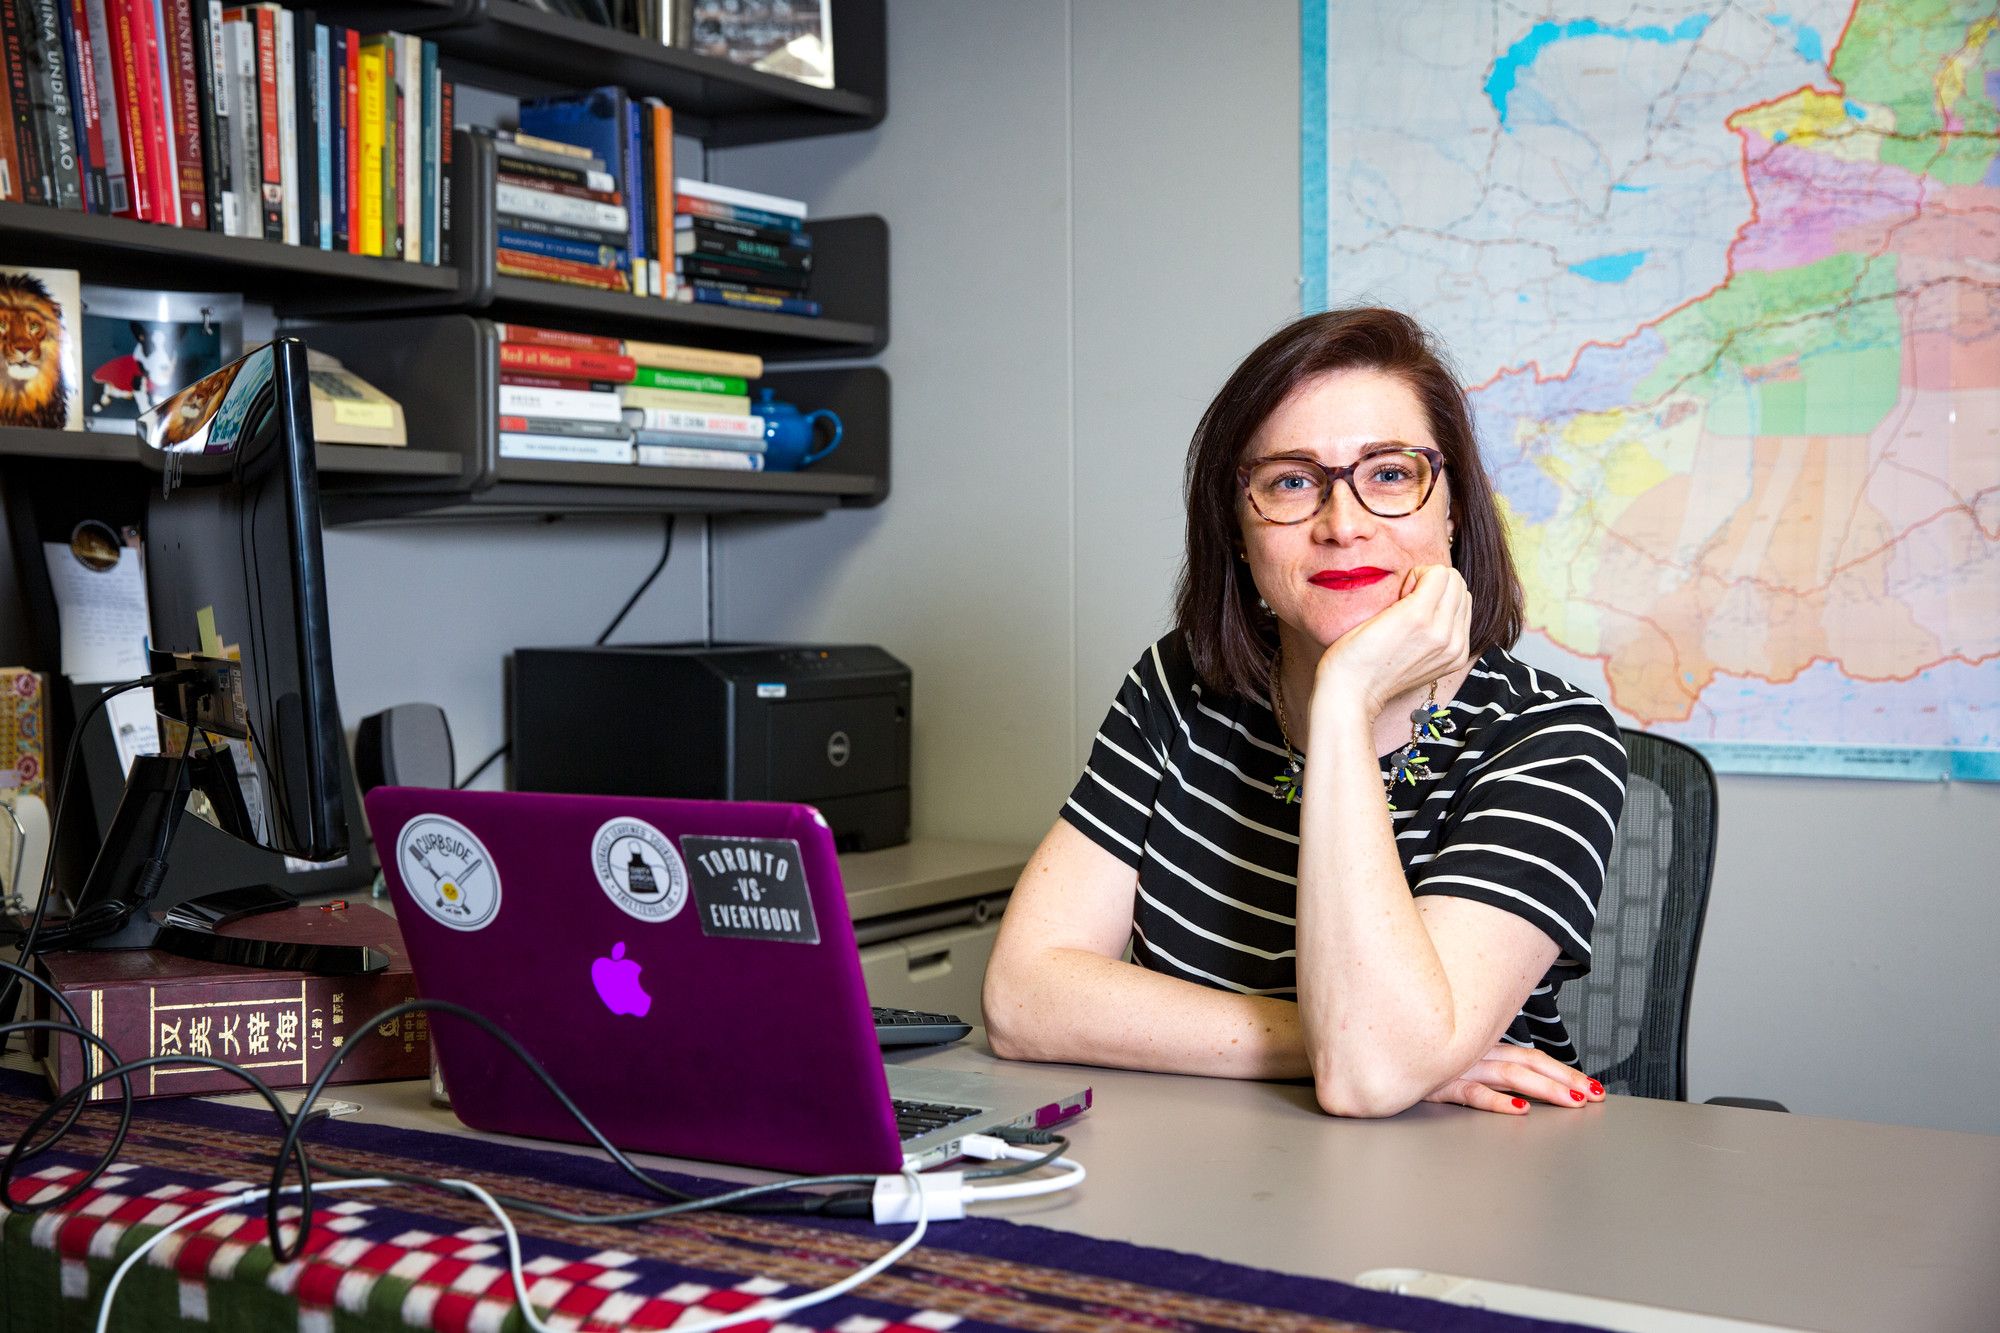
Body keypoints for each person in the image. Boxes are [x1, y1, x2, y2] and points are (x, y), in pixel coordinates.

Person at [983, 307, 1628, 1118]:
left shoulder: (1552, 740)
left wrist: (1344, 700)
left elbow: (1369, 1080)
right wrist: (1366, 1042)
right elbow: (1022, 995)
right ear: (1241, 528)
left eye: (1390, 474)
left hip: (1462, 1186)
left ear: (1454, 507)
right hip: (1197, 1163)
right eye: (1291, 481)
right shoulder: (1177, 684)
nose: (1343, 524)